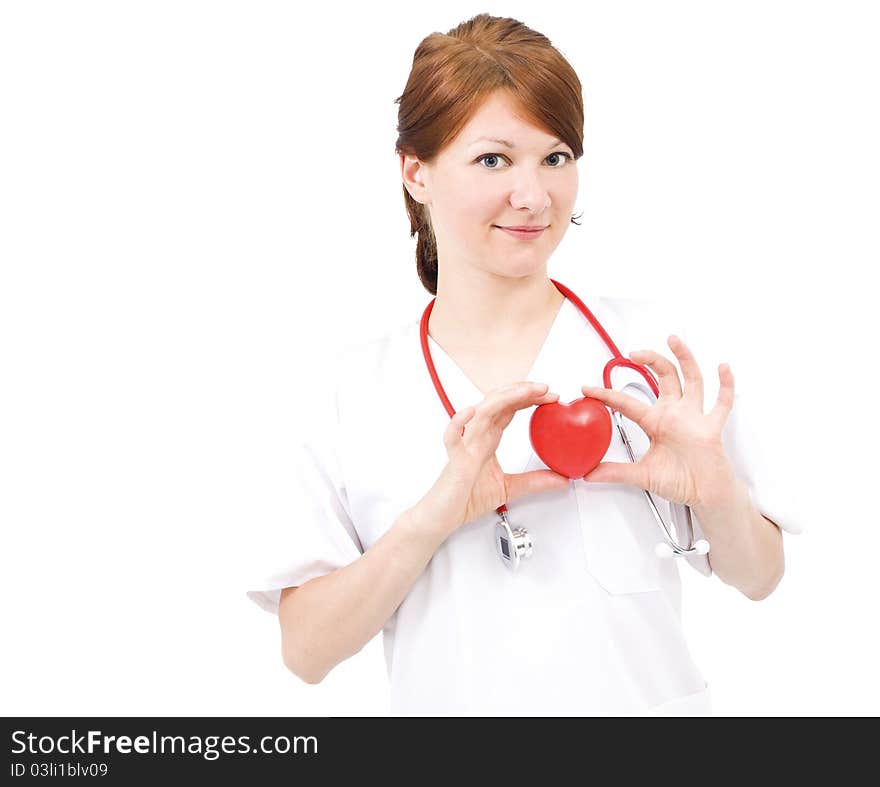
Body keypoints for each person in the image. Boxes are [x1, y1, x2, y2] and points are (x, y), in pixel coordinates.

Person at [246, 13, 802, 715]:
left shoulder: (651, 355)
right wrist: (432, 518)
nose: (535, 196)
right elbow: (306, 652)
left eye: (556, 157)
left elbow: (759, 576)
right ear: (415, 172)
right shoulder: (347, 390)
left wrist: (717, 493)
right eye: (493, 159)